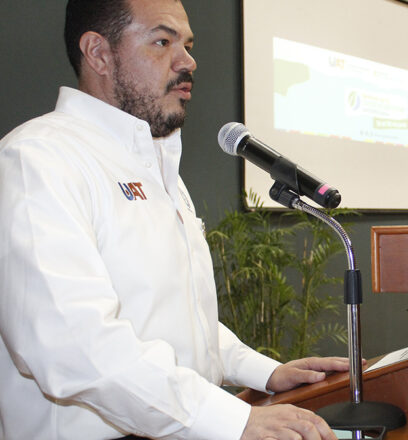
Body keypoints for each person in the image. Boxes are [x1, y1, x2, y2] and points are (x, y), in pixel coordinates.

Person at [0, 1, 348, 439]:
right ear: (99, 53)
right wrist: (232, 420)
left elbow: (175, 320)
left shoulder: (157, 165)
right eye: (162, 42)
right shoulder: (38, 159)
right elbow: (71, 345)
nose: (188, 62)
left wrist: (264, 371)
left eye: (187, 44)